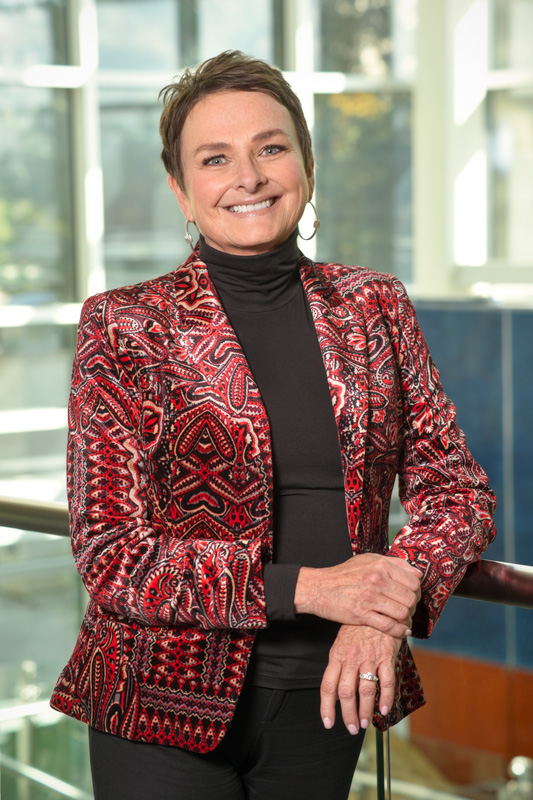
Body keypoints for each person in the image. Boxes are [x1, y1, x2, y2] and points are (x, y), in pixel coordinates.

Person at [51, 50, 497, 800]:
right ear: (181, 190)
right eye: (215, 158)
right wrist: (317, 590)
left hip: (330, 689)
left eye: (270, 147)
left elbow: (458, 493)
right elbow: (112, 554)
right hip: (156, 703)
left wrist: (380, 611)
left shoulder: (374, 307)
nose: (248, 176)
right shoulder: (124, 324)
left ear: (306, 164)